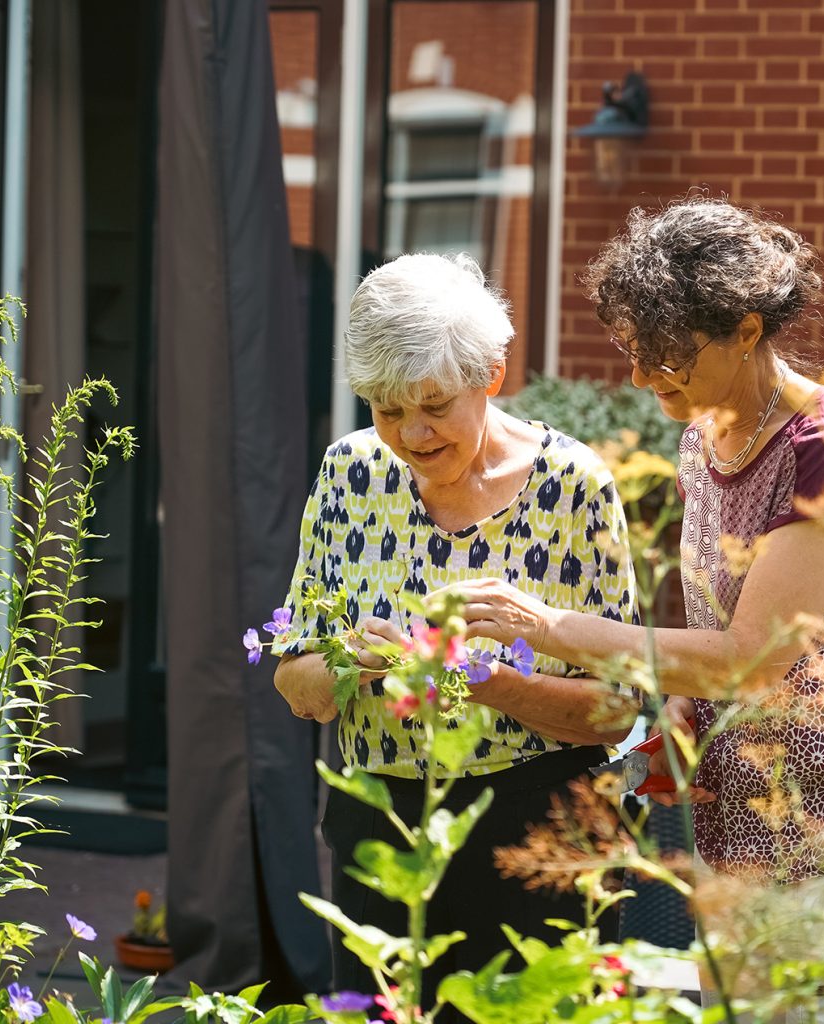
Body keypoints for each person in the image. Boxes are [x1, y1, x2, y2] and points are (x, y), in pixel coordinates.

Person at [442, 198, 824, 1023]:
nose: (644, 381)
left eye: (669, 360)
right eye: (635, 355)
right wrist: (676, 723)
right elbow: (714, 630)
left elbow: (754, 656)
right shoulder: (702, 438)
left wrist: (545, 625)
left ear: (747, 330)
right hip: (745, 839)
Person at [270, 253, 638, 1011]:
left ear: (491, 375)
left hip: (538, 827)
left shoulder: (573, 487)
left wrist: (489, 683)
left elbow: (619, 711)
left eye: (434, 404)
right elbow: (294, 681)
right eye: (385, 407)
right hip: (382, 822)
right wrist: (354, 666)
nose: (411, 432)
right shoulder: (349, 474)